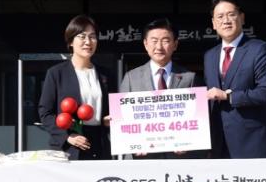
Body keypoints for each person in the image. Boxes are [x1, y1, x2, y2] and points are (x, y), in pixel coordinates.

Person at [204, 0, 266, 158]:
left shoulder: (259, 49)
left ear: (242, 18)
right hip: (218, 143)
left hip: (252, 143)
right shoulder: (210, 56)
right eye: (220, 16)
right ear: (213, 23)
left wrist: (229, 96)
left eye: (231, 14)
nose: (226, 20)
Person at [120, 18, 201, 158]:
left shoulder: (189, 78)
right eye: (154, 41)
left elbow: (199, 119)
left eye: (165, 41)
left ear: (175, 44)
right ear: (145, 44)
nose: (159, 47)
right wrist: (132, 144)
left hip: (178, 159)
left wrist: (189, 143)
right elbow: (122, 118)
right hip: (141, 160)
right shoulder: (131, 77)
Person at [38, 15, 111, 160]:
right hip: (69, 147)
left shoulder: (106, 74)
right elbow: (45, 113)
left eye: (92, 37)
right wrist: (67, 136)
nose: (88, 42)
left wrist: (107, 120)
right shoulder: (56, 73)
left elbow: (109, 111)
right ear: (71, 41)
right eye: (82, 37)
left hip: (99, 143)